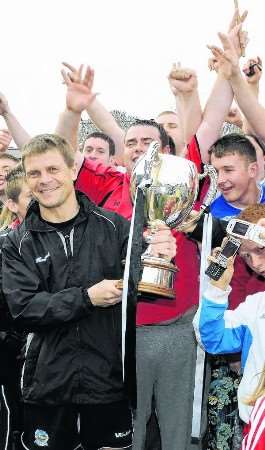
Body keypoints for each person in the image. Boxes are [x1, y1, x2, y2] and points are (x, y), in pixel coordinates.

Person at [1, 133, 175, 450]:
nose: (44, 180)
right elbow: (25, 309)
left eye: (53, 169)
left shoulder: (115, 227)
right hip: (47, 388)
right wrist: (86, 298)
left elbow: (142, 289)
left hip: (108, 385)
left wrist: (160, 254)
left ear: (72, 171)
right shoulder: (16, 242)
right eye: (35, 173)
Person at [193, 204, 265, 449]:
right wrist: (217, 288)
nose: (256, 263)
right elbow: (211, 338)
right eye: (246, 256)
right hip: (255, 425)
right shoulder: (255, 307)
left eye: (261, 250)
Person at [0, 166, 31, 450]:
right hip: (11, 356)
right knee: (11, 420)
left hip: (53, 357)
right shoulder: (5, 245)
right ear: (11, 204)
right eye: (30, 197)